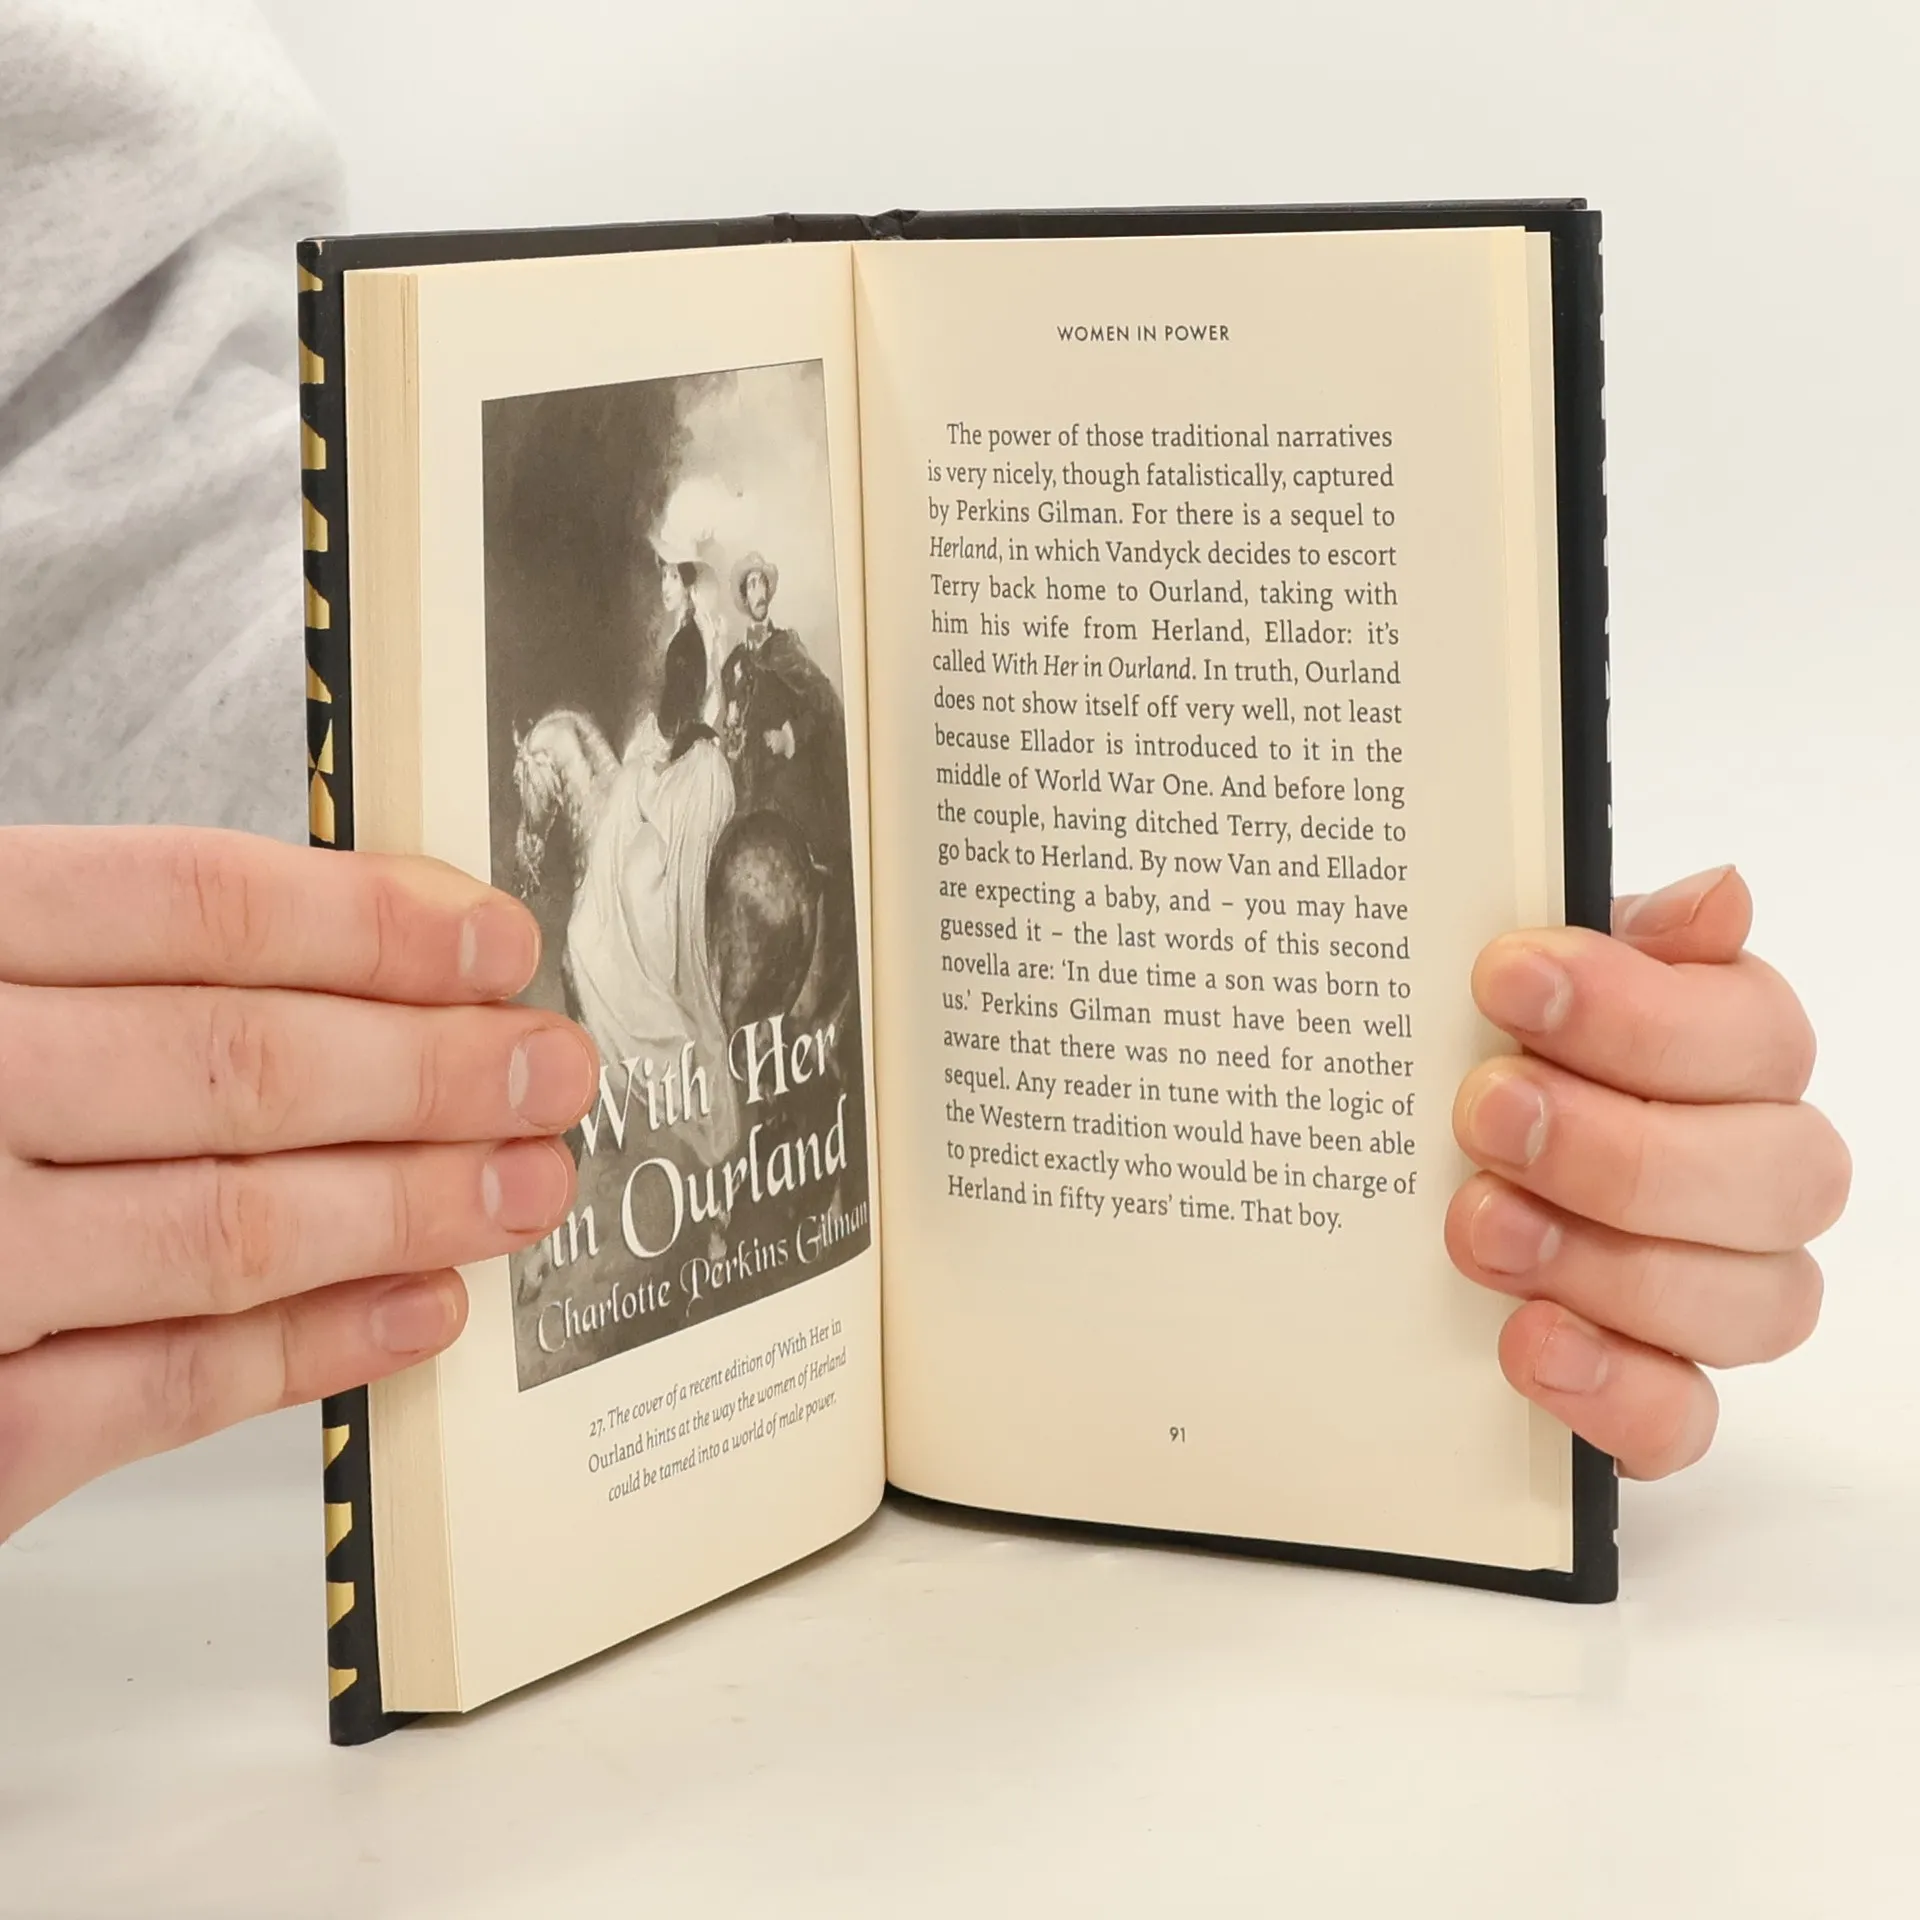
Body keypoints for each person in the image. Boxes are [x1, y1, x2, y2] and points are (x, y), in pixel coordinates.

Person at [0, 5, 1849, 1545]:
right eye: (697, 576)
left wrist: (1389, 983)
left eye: (723, 576)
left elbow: (127, 511)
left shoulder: (747, 686)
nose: (710, 595)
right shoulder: (693, 692)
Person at [563, 613, 740, 1164]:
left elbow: (672, 812)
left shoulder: (701, 757)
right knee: (625, 815)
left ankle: (625, 984)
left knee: (601, 922)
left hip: (666, 874)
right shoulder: (689, 747)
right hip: (661, 849)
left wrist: (645, 781)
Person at [719, 551, 852, 874]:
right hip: (749, 784)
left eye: (762, 584)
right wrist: (731, 733)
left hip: (787, 777)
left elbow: (822, 705)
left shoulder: (785, 647)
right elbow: (732, 723)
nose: (759, 592)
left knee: (810, 856)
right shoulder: (734, 662)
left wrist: (788, 736)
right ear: (745, 598)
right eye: (752, 585)